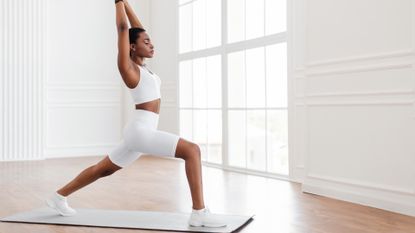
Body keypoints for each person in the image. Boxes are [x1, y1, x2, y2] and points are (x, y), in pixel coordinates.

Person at [45, 0, 226, 228]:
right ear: (132, 47)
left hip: (140, 132)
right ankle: (199, 212)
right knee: (192, 151)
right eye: (146, 42)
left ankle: (58, 197)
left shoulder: (143, 67)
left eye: (151, 41)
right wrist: (117, 4)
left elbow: (136, 30)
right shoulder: (128, 68)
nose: (152, 45)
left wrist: (126, 2)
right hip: (141, 132)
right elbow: (124, 29)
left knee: (103, 170)